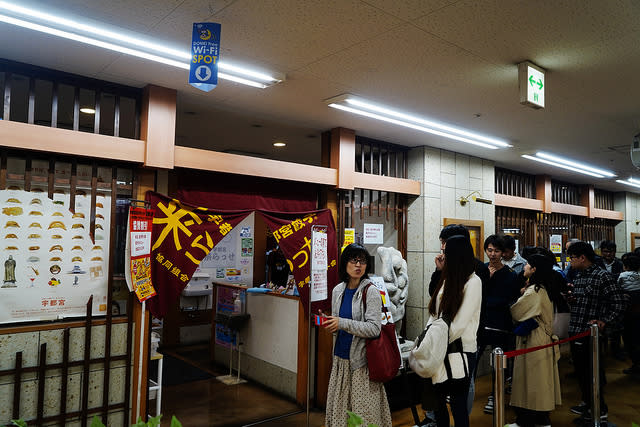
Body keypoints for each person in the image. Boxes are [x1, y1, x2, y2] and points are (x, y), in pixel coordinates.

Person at [322, 243, 392, 427]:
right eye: (354, 260)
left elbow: (374, 328)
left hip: (362, 364)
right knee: (340, 415)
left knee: (363, 417)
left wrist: (342, 323)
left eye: (362, 261)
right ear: (345, 263)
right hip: (340, 361)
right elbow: (340, 323)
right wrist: (332, 324)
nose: (358, 265)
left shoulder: (371, 292)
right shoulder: (338, 290)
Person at [566, 241, 627, 422]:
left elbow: (619, 302)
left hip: (590, 334)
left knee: (593, 372)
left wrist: (604, 321)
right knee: (581, 371)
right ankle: (587, 402)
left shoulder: (602, 277)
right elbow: (581, 300)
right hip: (575, 330)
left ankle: (600, 408)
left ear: (582, 257)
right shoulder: (578, 276)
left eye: (572, 258)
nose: (570, 261)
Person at [426, 235, 482, 427]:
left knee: (458, 404)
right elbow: (434, 311)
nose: (442, 255)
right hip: (440, 348)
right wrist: (428, 338)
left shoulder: (474, 282)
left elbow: (460, 323)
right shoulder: (447, 277)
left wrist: (435, 341)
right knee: (438, 401)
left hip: (462, 349)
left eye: (446, 252)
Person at [506, 254, 562, 427]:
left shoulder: (534, 291)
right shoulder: (545, 288)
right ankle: (541, 419)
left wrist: (518, 298)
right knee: (541, 382)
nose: (524, 267)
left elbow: (517, 312)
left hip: (534, 341)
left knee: (531, 383)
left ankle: (527, 420)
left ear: (534, 269)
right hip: (542, 339)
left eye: (528, 264)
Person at [479, 234, 520, 414]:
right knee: (472, 360)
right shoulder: (479, 270)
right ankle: (465, 390)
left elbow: (511, 299)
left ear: (503, 253)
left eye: (496, 251)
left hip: (501, 325)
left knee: (498, 364)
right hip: (480, 324)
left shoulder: (510, 275)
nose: (493, 254)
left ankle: (495, 395)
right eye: (489, 250)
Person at [619, 252, 640, 378]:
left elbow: (617, 288)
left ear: (625, 266)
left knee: (630, 340)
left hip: (628, 313)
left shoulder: (622, 275)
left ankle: (636, 364)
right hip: (638, 312)